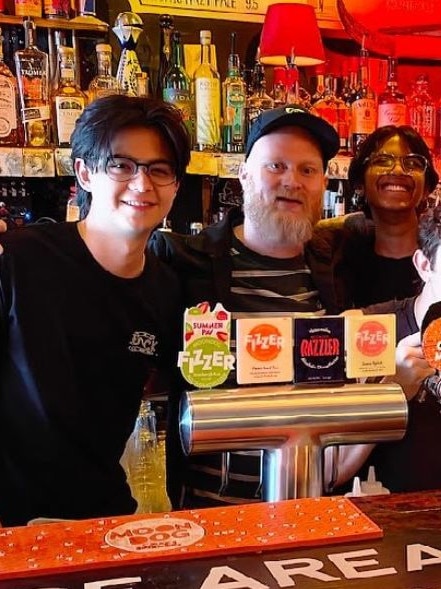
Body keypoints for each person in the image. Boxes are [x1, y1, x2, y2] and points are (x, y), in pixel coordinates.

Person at [0, 95, 191, 527]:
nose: (142, 185)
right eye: (121, 165)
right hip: (10, 524)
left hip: (100, 519)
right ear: (85, 173)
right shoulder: (19, 259)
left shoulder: (165, 289)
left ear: (176, 185)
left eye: (159, 170)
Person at [150, 104, 342, 507]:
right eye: (276, 165)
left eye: (307, 170)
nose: (292, 180)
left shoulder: (336, 272)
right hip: (206, 510)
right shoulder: (185, 263)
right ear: (242, 175)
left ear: (323, 183)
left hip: (308, 502)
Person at [331, 205, 441, 493]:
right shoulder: (363, 331)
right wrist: (391, 390)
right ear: (424, 265)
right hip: (391, 527)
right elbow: (333, 470)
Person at [316, 125, 439, 308]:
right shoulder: (336, 262)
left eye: (413, 163)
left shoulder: (437, 261)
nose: (398, 170)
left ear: (426, 189)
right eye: (382, 161)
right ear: (360, 184)